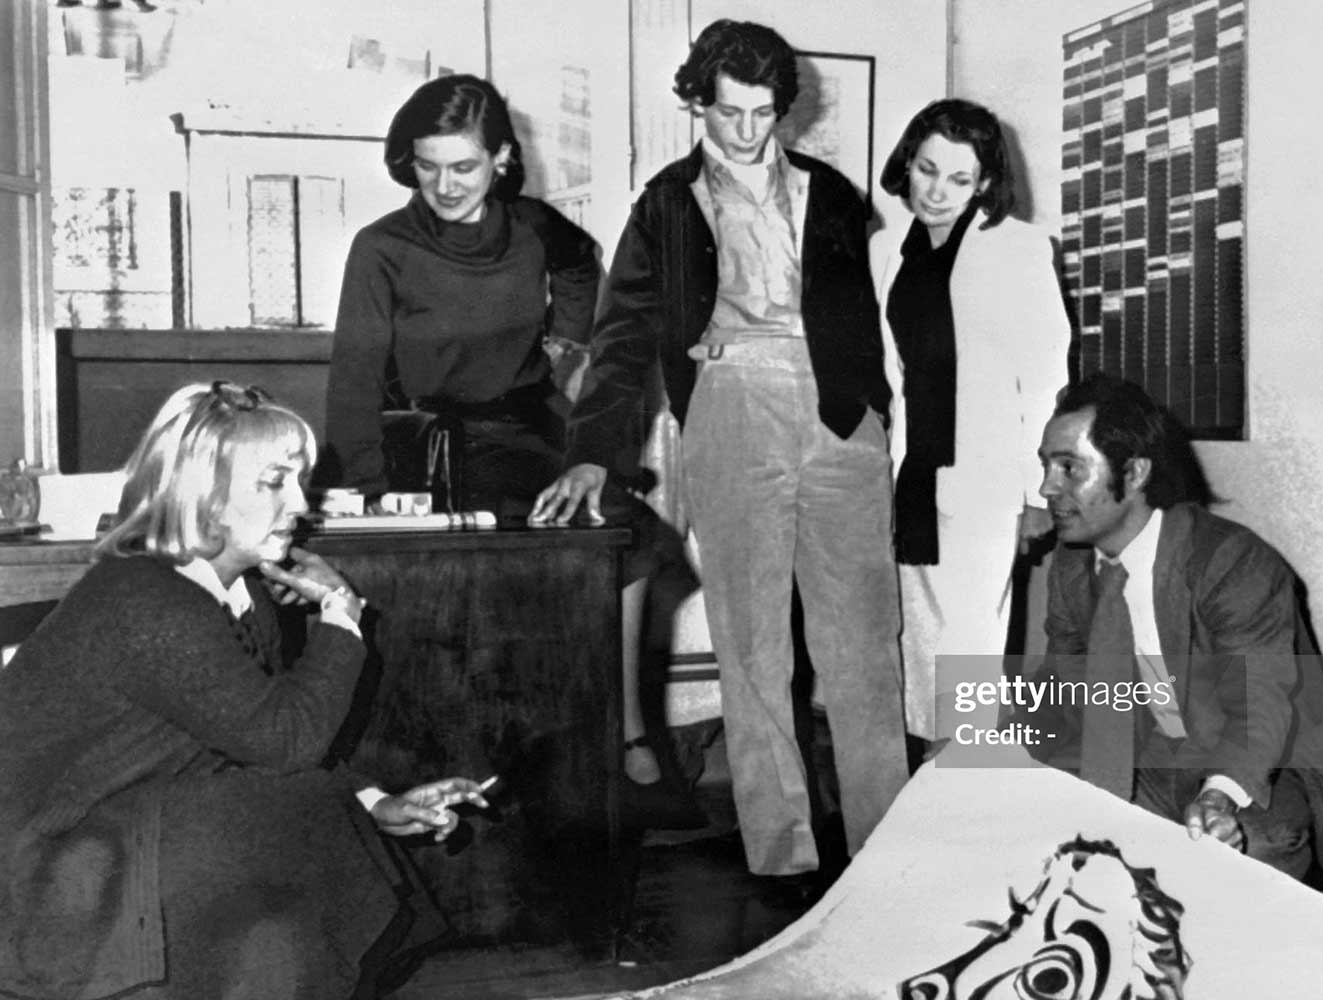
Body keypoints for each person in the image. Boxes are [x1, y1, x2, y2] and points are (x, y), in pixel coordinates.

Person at [529, 19, 909, 881]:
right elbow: (621, 336)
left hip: (842, 417)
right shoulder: (665, 202)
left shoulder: (835, 193)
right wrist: (594, 451)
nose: (745, 132)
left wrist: (881, 415)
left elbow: (866, 318)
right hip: (733, 404)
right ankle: (785, 859)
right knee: (752, 644)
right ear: (699, 102)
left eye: (763, 113)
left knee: (863, 643)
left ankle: (889, 854)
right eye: (728, 113)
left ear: (784, 110)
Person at [0, 381, 489, 999]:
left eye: (299, 481)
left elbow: (253, 745)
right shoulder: (145, 597)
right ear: (203, 497)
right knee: (289, 827)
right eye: (274, 481)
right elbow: (286, 745)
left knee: (281, 930)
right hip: (49, 873)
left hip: (131, 830)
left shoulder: (234, 594)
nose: (299, 504)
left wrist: (372, 801)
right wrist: (341, 614)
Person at [321, 74, 691, 799]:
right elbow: (354, 379)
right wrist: (362, 496)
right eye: (427, 165)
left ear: (501, 160)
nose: (444, 184)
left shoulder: (532, 225)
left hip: (526, 425)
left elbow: (581, 263)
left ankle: (625, 725)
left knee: (634, 537)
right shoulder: (382, 248)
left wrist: (566, 341)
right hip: (426, 441)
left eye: (463, 165)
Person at [1024, 373, 1323, 882]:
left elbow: (1260, 708)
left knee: (1247, 847)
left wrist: (1218, 797)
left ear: (1135, 472)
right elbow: (1064, 684)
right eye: (1047, 466)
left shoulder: (1232, 563)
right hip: (1159, 750)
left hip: (1275, 760)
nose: (1048, 488)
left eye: (1070, 468)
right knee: (1046, 826)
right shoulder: (1073, 566)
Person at [870, 98, 1070, 741]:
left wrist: (1038, 491)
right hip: (912, 473)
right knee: (921, 644)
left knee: (972, 650)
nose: (937, 192)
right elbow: (888, 371)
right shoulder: (884, 251)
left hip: (988, 479)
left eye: (959, 179)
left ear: (985, 182)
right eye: (927, 170)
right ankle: (930, 790)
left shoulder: (1019, 248)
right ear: (908, 163)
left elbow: (1044, 378)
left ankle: (966, 795)